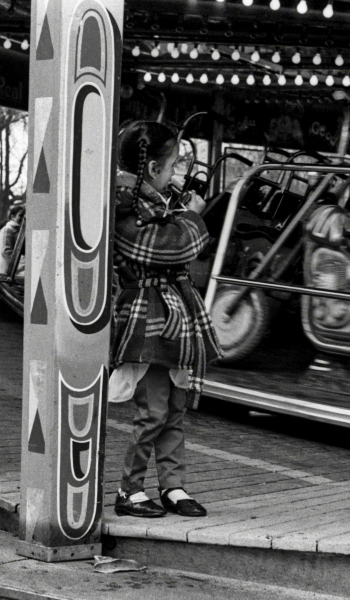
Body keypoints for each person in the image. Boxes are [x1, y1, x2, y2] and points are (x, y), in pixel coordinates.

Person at [110, 121, 222, 519]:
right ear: (154, 168)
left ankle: (172, 486)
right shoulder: (125, 206)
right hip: (148, 318)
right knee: (153, 410)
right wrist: (192, 217)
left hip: (168, 316)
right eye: (173, 166)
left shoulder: (148, 201)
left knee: (174, 408)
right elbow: (170, 249)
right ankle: (130, 489)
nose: (176, 174)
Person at [0, 205, 25, 276]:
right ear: (12, 217)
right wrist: (24, 261)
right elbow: (6, 252)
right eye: (20, 215)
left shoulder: (21, 231)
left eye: (24, 216)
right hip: (5, 272)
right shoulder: (7, 230)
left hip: (16, 272)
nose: (23, 218)